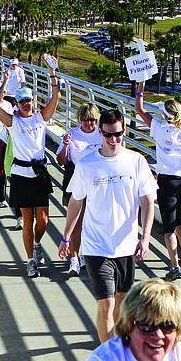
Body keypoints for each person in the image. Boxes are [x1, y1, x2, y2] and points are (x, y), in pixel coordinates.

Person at [58, 108, 157, 343]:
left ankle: (116, 341)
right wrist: (66, 237)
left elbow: (148, 200)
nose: (113, 140)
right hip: (96, 246)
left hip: (126, 245)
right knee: (107, 301)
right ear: (100, 134)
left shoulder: (136, 161)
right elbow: (75, 201)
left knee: (122, 300)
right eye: (108, 135)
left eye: (118, 134)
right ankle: (107, 353)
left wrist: (145, 238)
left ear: (124, 132)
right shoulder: (87, 164)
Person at [0, 58, 62, 278]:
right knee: (28, 219)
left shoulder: (41, 118)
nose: (26, 104)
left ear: (33, 102)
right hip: (21, 175)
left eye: (29, 101)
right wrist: (4, 83)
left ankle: (38, 243)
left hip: (39, 173)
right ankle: (30, 260)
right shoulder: (13, 122)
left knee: (43, 220)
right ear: (18, 104)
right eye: (22, 101)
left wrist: (52, 71)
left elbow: (56, 97)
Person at [134, 81, 181, 281]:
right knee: (180, 219)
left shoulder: (159, 128)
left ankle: (175, 267)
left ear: (165, 115)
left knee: (168, 227)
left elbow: (139, 108)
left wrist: (141, 85)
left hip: (167, 182)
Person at [56, 103, 102, 276]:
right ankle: (74, 259)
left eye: (92, 120)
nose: (89, 123)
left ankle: (87, 255)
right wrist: (66, 145)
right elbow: (60, 161)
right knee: (77, 222)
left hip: (98, 183)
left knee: (94, 223)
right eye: (85, 120)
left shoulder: (102, 134)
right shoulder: (72, 134)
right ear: (79, 120)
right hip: (77, 181)